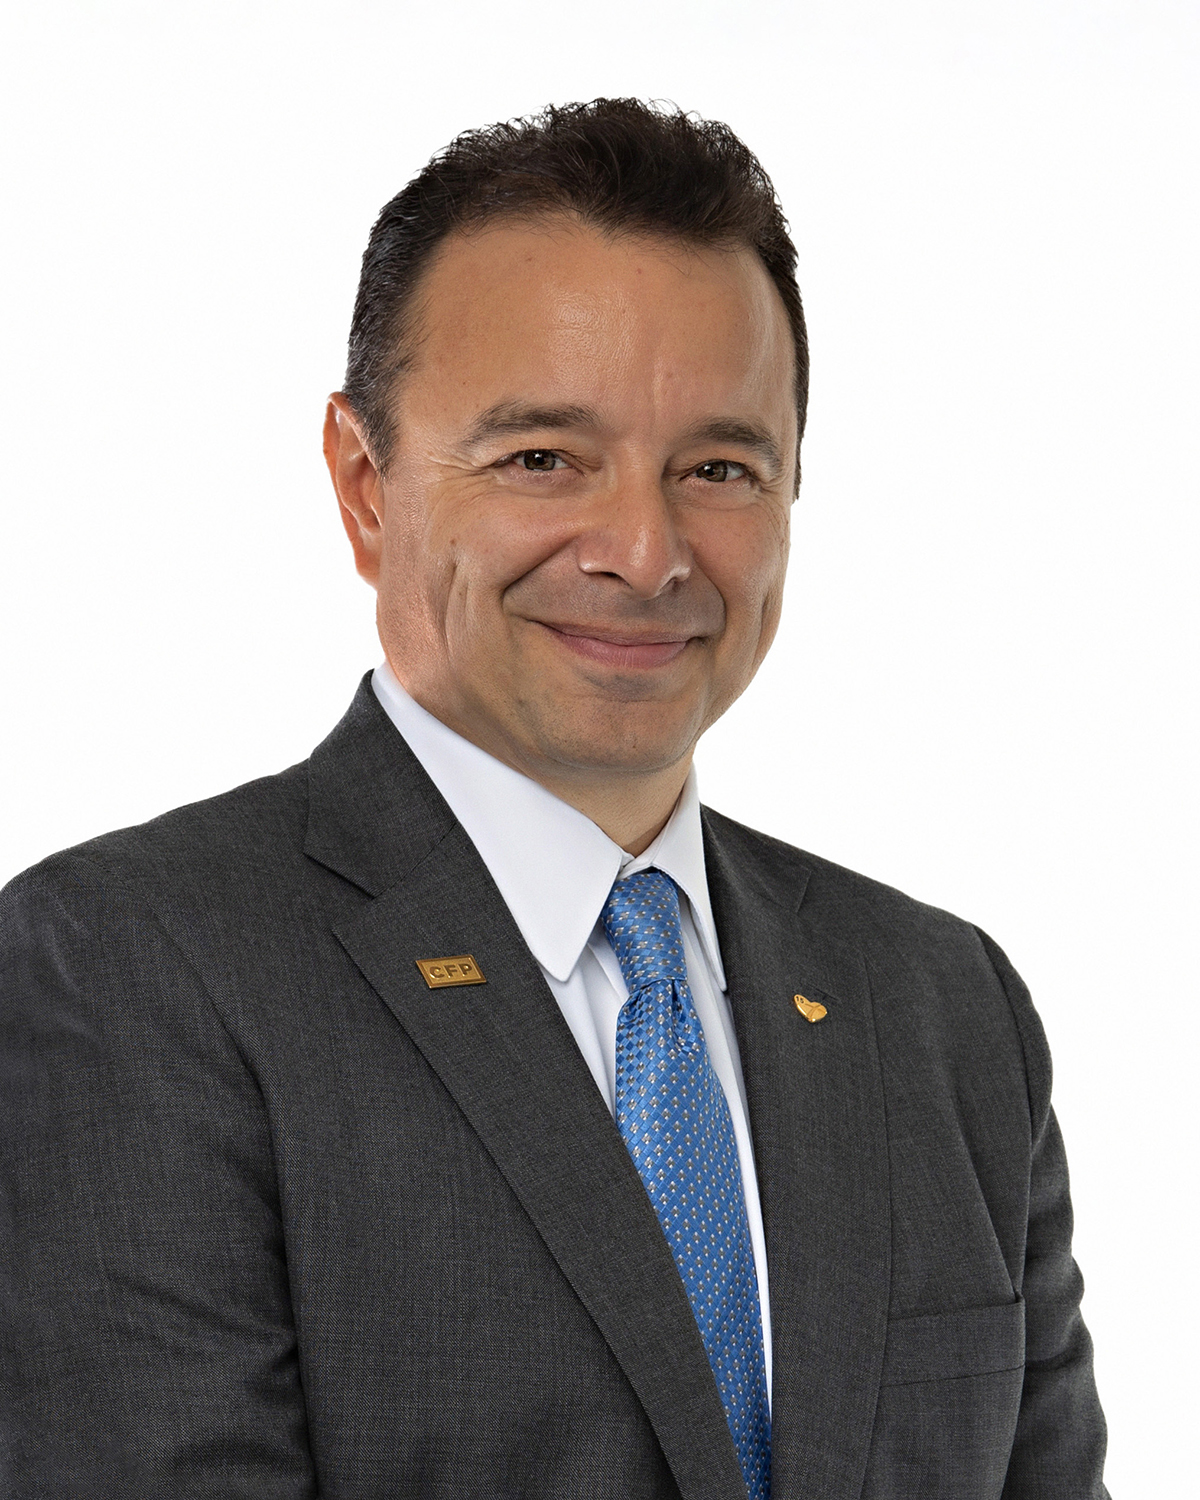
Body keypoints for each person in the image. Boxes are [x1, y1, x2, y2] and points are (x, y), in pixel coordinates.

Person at [0, 99, 1108, 1498]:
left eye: (719, 468)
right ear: (364, 486)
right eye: (543, 459)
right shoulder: (129, 968)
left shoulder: (946, 1007)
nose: (646, 552)